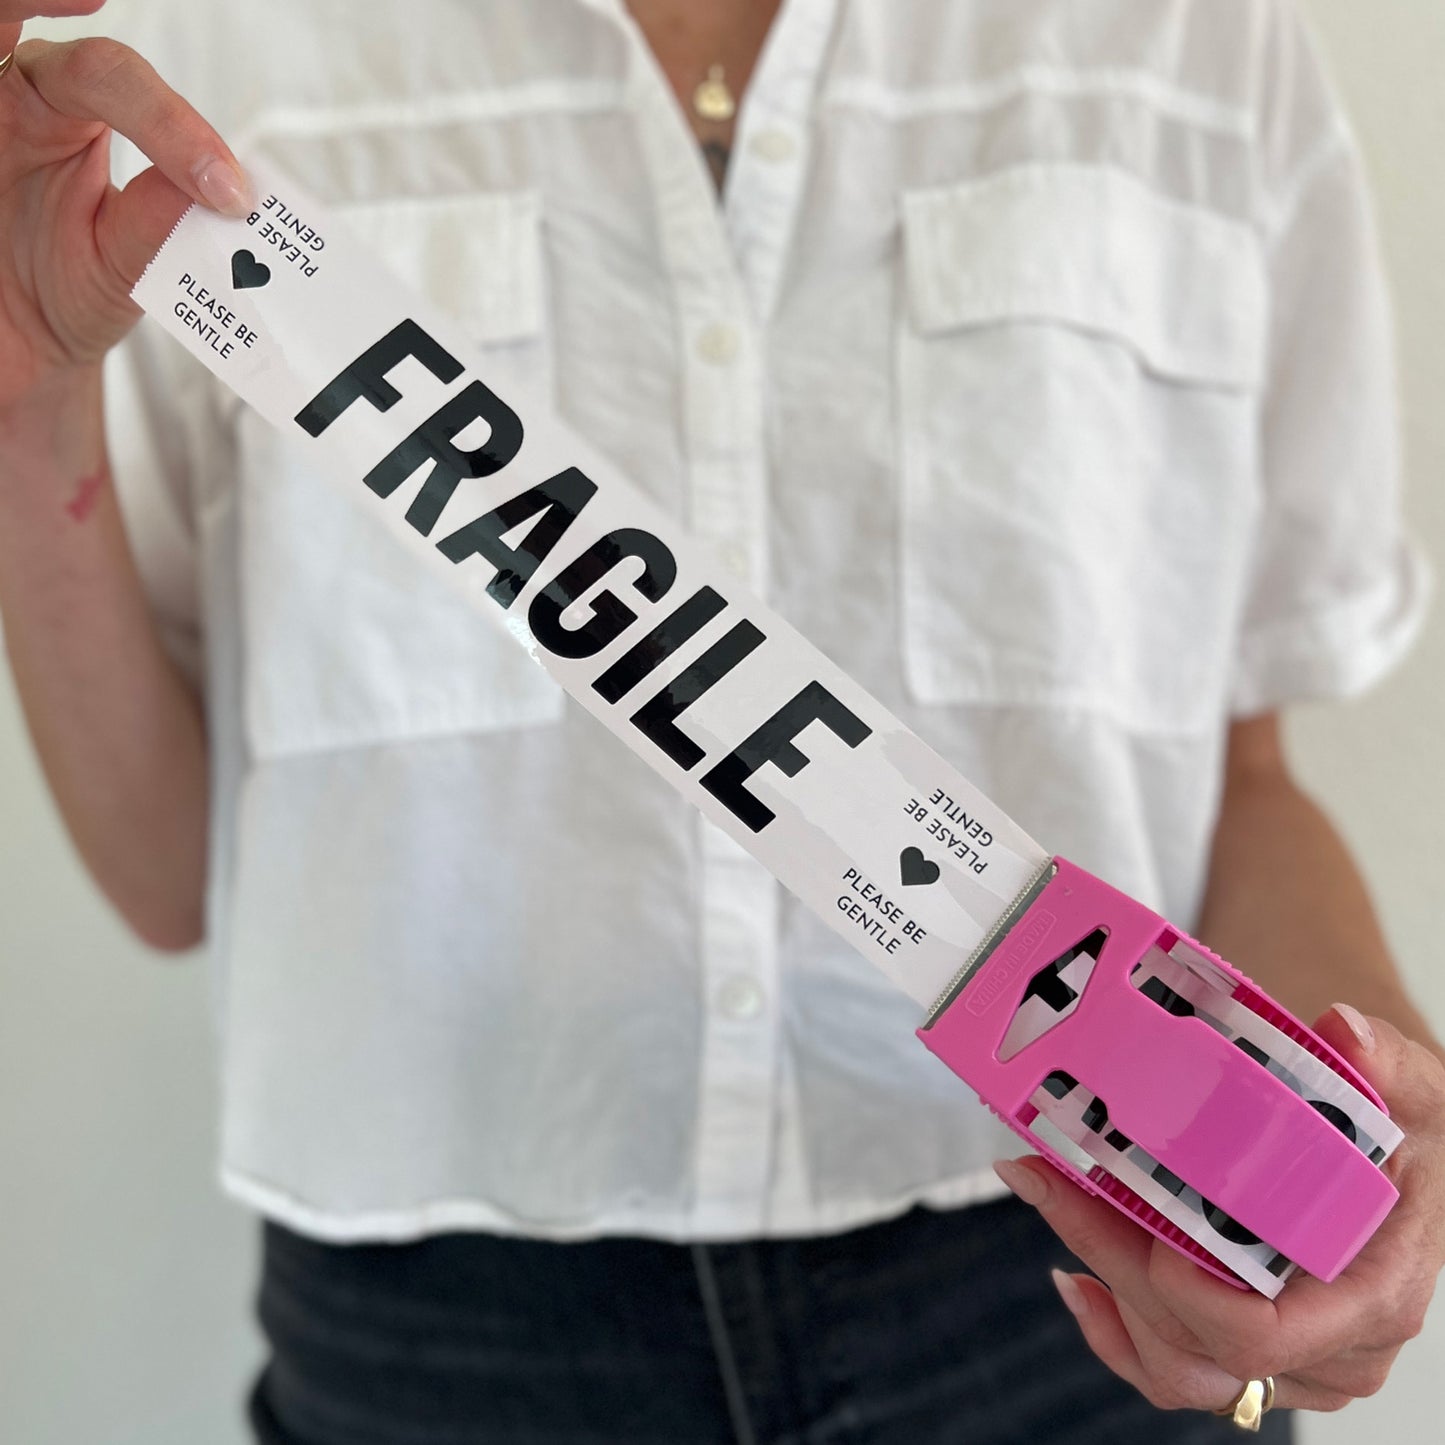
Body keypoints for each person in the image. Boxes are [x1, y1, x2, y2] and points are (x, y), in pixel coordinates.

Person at [2, 1, 1442, 1440]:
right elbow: (173, 871)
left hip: (1071, 1293)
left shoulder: (1196, 40)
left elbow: (1242, 783)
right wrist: (23, 398)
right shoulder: (204, 56)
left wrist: (1379, 1128)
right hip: (447, 1334)